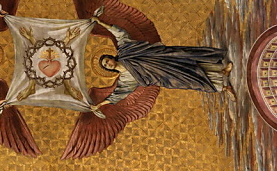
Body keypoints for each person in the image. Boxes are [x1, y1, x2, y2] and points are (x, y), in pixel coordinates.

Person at [91, 20, 232, 109]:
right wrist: (100, 104)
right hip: (165, 76)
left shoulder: (125, 50)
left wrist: (100, 22)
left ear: (111, 57)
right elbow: (119, 94)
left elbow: (120, 34)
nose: (108, 64)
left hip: (164, 58)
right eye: (105, 65)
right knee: (190, 79)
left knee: (189, 58)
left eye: (107, 60)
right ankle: (223, 87)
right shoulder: (125, 79)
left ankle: (222, 70)